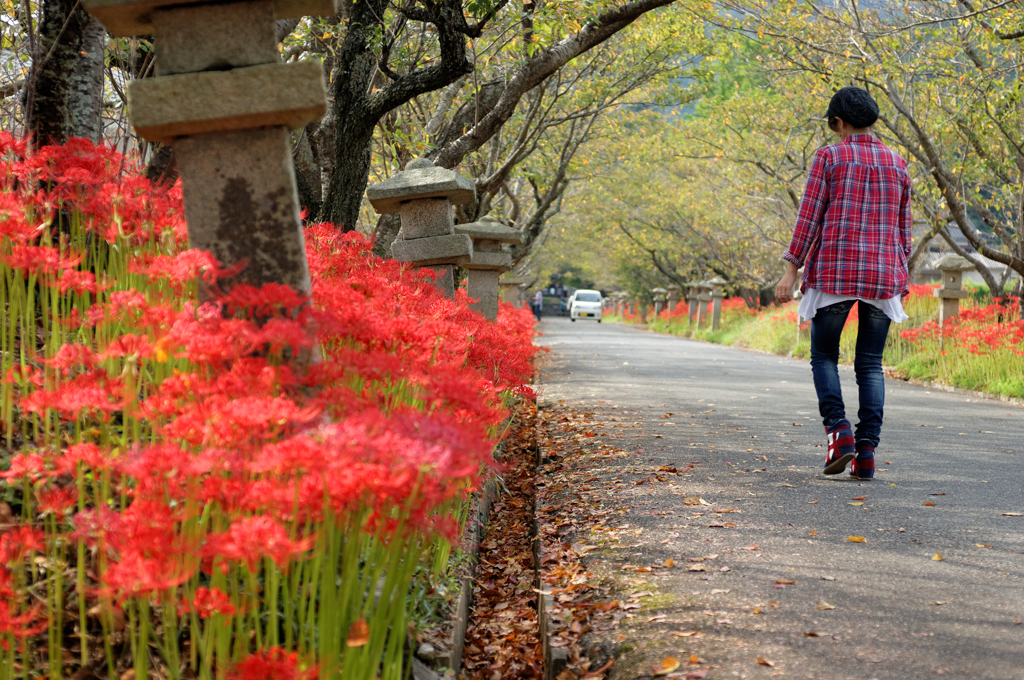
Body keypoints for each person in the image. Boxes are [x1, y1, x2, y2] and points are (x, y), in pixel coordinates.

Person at [775, 86, 912, 481]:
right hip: (882, 274)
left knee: (824, 357)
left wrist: (791, 268)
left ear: (839, 122)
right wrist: (901, 277)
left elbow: (809, 216)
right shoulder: (897, 162)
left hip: (835, 270)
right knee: (870, 364)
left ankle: (839, 432)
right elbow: (904, 229)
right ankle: (866, 452)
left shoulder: (830, 156)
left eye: (833, 125)